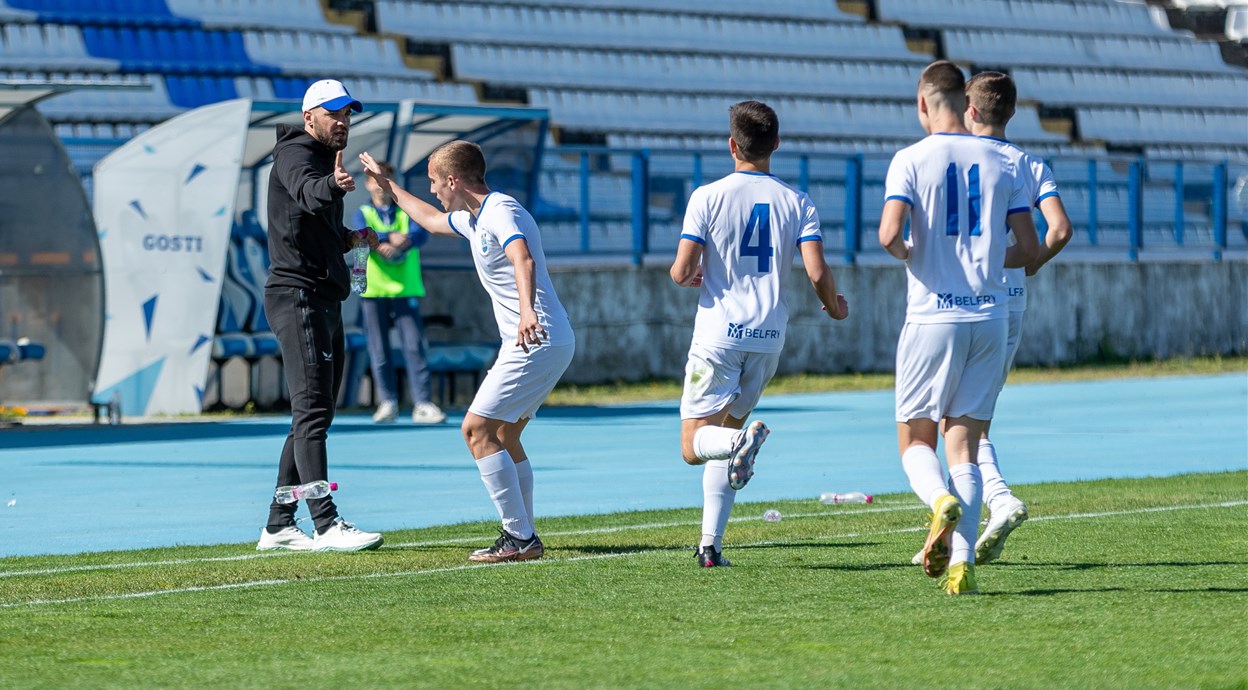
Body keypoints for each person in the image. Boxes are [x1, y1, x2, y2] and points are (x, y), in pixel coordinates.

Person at [359, 141, 574, 563]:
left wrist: (528, 312)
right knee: (505, 435)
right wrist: (390, 187)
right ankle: (524, 534)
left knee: (475, 430)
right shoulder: (474, 217)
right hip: (548, 339)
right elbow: (432, 220)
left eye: (436, 182)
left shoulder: (500, 211)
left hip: (534, 337)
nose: (434, 189)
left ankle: (520, 538)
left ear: (454, 180)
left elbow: (523, 259)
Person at [878, 61, 1039, 594]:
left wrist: (912, 254)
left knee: (915, 439)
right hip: (990, 316)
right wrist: (991, 262)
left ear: (924, 104)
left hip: (932, 315)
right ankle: (960, 567)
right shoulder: (1004, 162)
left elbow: (888, 236)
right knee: (965, 446)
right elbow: (1031, 247)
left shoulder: (909, 158)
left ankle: (937, 501)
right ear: (961, 103)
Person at [671, 100, 849, 568]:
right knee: (722, 439)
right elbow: (816, 271)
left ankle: (740, 443)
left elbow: (681, 269)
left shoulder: (707, 196)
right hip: (769, 338)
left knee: (696, 445)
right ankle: (710, 546)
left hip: (719, 336)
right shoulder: (798, 201)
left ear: (732, 145)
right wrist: (834, 306)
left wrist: (688, 273)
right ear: (776, 145)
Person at [255, 79, 384, 552]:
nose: (343, 121)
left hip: (321, 296)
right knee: (312, 413)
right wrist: (333, 184)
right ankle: (326, 523)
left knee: (314, 413)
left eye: (348, 113)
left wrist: (348, 238)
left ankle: (278, 523)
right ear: (309, 117)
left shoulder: (318, 157)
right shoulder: (296, 152)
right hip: (298, 297)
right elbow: (309, 194)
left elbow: (310, 219)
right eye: (334, 113)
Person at [962, 71, 1072, 564]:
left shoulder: (960, 160)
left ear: (971, 109)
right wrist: (1027, 263)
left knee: (958, 423)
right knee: (975, 417)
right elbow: (1060, 230)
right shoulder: (1030, 163)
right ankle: (983, 510)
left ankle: (997, 501)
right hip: (1012, 301)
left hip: (962, 301)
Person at [353, 159, 447, 425]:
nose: (380, 186)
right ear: (369, 184)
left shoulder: (407, 212)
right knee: (379, 348)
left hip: (405, 289)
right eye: (375, 180)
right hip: (374, 291)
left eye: (385, 180)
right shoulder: (362, 211)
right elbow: (362, 233)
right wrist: (385, 239)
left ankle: (422, 403)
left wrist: (400, 244)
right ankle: (387, 402)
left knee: (414, 345)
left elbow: (421, 232)